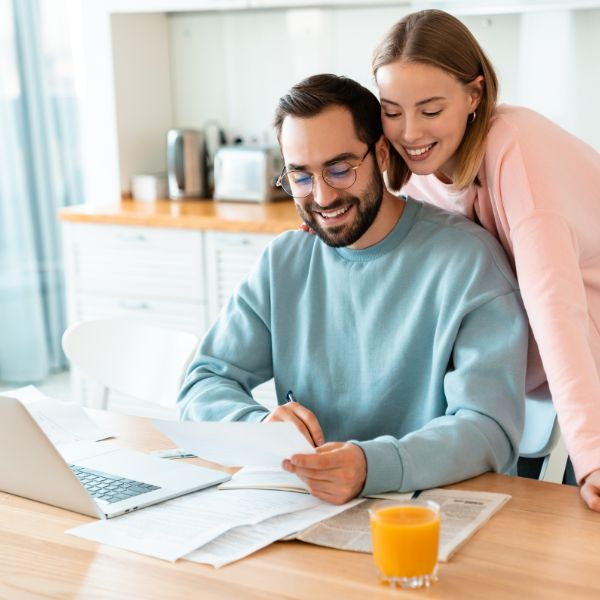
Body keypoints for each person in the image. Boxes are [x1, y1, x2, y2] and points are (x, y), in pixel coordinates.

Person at [178, 74, 528, 505]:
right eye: (300, 177)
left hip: (429, 511)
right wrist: (259, 426)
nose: (322, 196)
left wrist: (372, 466)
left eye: (340, 169)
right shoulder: (284, 261)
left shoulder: (468, 262)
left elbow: (489, 429)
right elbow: (203, 381)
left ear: (381, 152)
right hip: (307, 507)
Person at [371, 9, 600, 511]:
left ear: (474, 95)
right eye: (392, 110)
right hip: (536, 371)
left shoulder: (515, 147)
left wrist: (592, 455)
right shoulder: (419, 171)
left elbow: (553, 304)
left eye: (431, 110)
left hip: (582, 346)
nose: (409, 133)